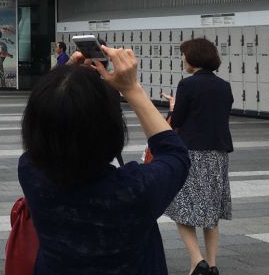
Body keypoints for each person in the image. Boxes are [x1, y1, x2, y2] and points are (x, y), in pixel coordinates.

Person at [15, 45, 190, 275]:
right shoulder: (135, 190)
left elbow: (46, 121)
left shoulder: (32, 173)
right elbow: (174, 153)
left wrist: (65, 76)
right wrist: (132, 88)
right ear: (111, 129)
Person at [162, 38, 234, 275]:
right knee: (210, 212)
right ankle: (212, 265)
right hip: (218, 155)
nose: (182, 59)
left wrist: (173, 106)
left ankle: (196, 261)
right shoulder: (224, 86)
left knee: (181, 207)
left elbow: (179, 120)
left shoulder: (187, 85)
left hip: (192, 153)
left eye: (184, 55)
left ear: (193, 58)